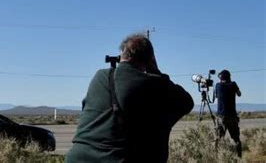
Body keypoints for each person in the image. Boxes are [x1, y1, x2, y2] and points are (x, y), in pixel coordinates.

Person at [65, 34, 194, 163]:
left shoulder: (100, 76)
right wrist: (156, 72)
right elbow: (186, 102)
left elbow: (85, 107)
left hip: (77, 157)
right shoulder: (151, 84)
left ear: (122, 54)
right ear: (150, 60)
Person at [214, 69, 242, 157]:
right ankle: (239, 156)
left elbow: (215, 96)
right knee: (236, 138)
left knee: (218, 138)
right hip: (232, 116)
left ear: (221, 77)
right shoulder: (233, 84)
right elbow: (239, 94)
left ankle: (216, 156)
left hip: (221, 116)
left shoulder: (218, 85)